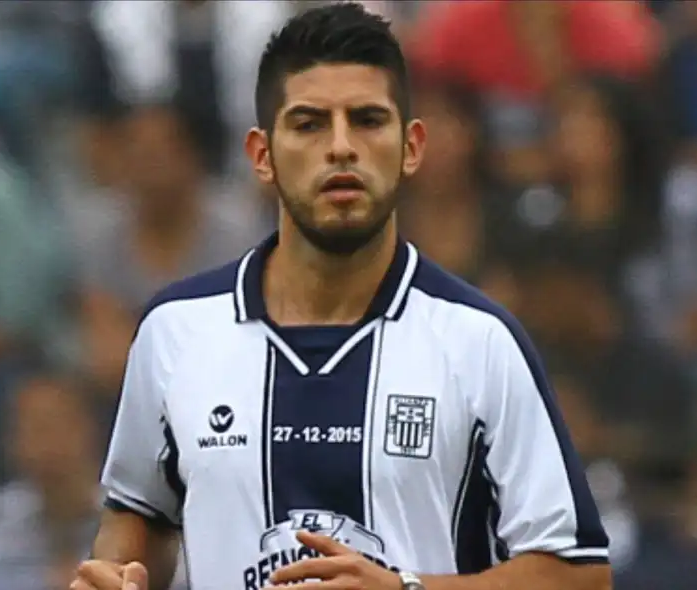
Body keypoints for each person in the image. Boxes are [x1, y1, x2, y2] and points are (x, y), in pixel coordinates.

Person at [71, 4, 610, 590]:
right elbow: (136, 516)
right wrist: (119, 577)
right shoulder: (175, 330)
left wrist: (408, 589)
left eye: (368, 120)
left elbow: (579, 574)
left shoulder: (480, 341)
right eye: (308, 124)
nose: (341, 147)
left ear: (411, 147)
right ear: (260, 155)